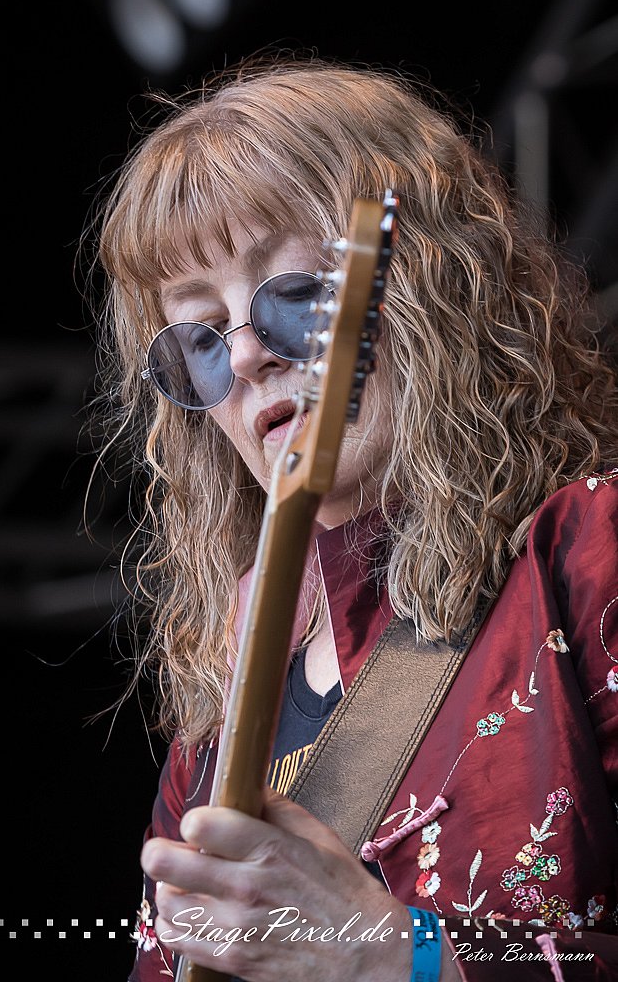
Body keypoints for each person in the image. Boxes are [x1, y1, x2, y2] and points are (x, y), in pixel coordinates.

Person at [87, 55, 618, 981]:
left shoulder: (589, 549)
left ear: (423, 284)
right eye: (200, 340)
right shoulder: (222, 719)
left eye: (289, 293)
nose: (246, 355)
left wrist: (394, 959)